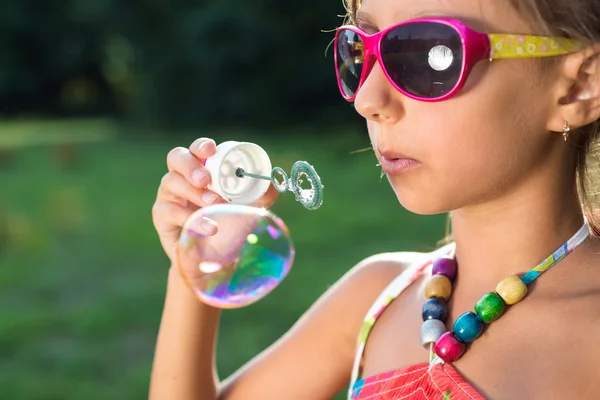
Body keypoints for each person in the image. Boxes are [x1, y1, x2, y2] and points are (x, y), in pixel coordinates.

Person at [149, 0, 600, 398]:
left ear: (578, 84)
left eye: (431, 54)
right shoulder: (376, 296)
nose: (367, 98)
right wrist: (197, 262)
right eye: (361, 49)